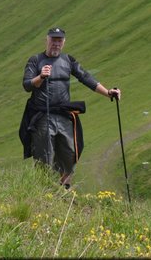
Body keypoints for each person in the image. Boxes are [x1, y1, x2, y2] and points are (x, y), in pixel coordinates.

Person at [19, 27, 121, 188]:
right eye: (53, 40)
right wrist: (40, 77)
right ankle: (42, 191)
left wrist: (108, 93)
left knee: (70, 153)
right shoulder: (35, 60)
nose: (56, 44)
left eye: (59, 41)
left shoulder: (68, 60)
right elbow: (27, 85)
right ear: (47, 40)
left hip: (64, 114)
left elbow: (85, 77)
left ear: (64, 42)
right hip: (43, 115)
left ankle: (64, 189)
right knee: (44, 154)